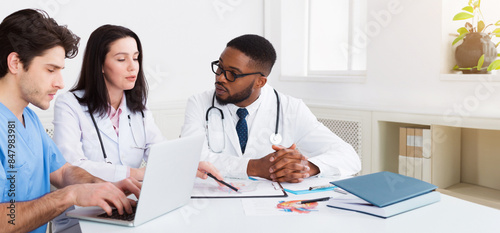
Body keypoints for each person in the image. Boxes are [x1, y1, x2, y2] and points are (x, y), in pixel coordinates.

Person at [0, 9, 141, 233]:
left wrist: (102, 186)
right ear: (15, 63)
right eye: (50, 70)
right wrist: (71, 195)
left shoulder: (29, 119)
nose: (60, 83)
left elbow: (63, 171)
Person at [181, 34, 361, 183]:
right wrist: (255, 167)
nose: (220, 78)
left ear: (260, 81)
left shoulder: (291, 109)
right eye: (220, 68)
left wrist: (306, 167)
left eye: (232, 74)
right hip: (214, 203)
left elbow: (349, 156)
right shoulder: (199, 103)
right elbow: (191, 158)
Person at [53, 25, 222, 182]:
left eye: (135, 58)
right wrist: (134, 173)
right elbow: (71, 166)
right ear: (100, 65)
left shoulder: (138, 106)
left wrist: (190, 165)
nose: (133, 67)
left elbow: (160, 151)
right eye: (121, 59)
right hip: (87, 206)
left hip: (131, 201)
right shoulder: (69, 104)